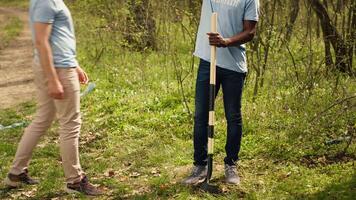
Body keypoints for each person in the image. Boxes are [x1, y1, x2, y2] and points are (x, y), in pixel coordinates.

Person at [4, 0, 102, 196]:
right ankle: (75, 180)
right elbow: (41, 41)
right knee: (71, 123)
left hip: (62, 66)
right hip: (57, 70)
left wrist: (74, 65)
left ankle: (16, 173)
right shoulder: (45, 1)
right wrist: (53, 79)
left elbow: (59, 38)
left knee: (43, 119)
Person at [182, 0, 259, 185]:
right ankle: (200, 166)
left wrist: (226, 42)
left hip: (234, 67)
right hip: (208, 61)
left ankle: (231, 165)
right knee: (201, 115)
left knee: (233, 115)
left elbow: (250, 31)